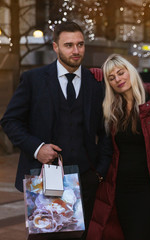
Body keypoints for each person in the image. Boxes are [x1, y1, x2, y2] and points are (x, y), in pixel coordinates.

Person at [0, 21, 112, 239]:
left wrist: (100, 171)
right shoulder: (34, 79)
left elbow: (105, 130)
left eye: (80, 44)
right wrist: (37, 148)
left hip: (85, 179)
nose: (76, 51)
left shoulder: (95, 83)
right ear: (55, 47)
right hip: (45, 179)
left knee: (81, 236)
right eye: (68, 45)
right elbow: (10, 120)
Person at [87, 54, 150, 240]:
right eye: (111, 78)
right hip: (120, 190)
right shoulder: (112, 109)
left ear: (130, 71)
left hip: (149, 189)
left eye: (121, 73)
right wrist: (90, 75)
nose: (118, 79)